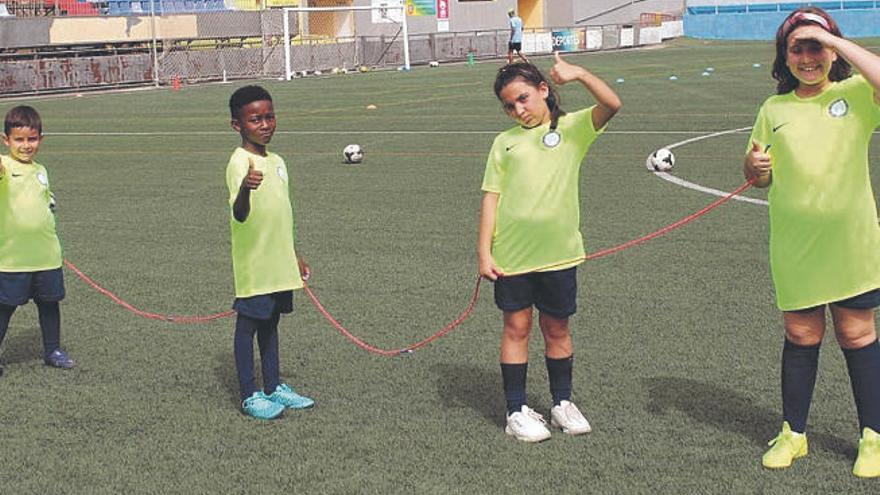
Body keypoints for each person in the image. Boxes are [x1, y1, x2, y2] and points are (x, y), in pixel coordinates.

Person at [744, 7, 880, 477]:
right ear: (784, 56)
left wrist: (833, 40)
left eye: (816, 46)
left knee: (857, 334)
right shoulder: (773, 109)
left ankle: (873, 438)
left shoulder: (857, 93)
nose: (808, 56)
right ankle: (794, 434)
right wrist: (756, 171)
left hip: (852, 243)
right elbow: (755, 170)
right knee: (801, 336)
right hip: (796, 245)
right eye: (797, 47)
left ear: (832, 50)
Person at [478, 53, 621, 442]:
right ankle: (516, 410)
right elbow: (491, 197)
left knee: (557, 327)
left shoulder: (573, 129)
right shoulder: (504, 144)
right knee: (517, 327)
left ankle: (561, 403)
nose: (517, 109)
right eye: (509, 105)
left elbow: (612, 104)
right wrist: (484, 252)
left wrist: (579, 74)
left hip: (559, 253)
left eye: (523, 98)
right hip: (512, 256)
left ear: (544, 90)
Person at [226, 85, 315, 420]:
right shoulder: (239, 162)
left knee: (272, 323)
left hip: (279, 262)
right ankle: (250, 394)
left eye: (269, 116)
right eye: (255, 119)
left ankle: (274, 386)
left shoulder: (277, 161)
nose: (265, 125)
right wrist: (246, 190)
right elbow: (239, 213)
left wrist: (294, 254)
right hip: (256, 264)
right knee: (248, 324)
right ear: (237, 125)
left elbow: (282, 214)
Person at [0, 105, 75, 376]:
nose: (26, 145)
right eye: (18, 139)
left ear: (40, 139)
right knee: (4, 307)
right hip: (11, 258)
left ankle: (52, 350)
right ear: (6, 140)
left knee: (49, 303)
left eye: (31, 139)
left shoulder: (41, 170)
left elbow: (44, 204)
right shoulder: (5, 166)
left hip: (46, 256)